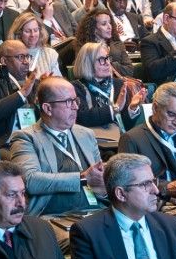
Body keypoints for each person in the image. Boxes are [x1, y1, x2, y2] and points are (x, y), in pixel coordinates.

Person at [6, 76, 106, 238]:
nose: (75, 107)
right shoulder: (26, 137)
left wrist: (102, 188)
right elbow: (30, 181)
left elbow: (98, 183)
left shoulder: (86, 134)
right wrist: (81, 178)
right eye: (68, 102)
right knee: (87, 239)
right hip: (53, 217)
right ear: (47, 108)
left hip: (95, 211)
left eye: (76, 101)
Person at [118, 82, 176, 215]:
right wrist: (166, 188)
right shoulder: (132, 138)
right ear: (155, 108)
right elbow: (129, 184)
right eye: (171, 114)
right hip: (157, 206)